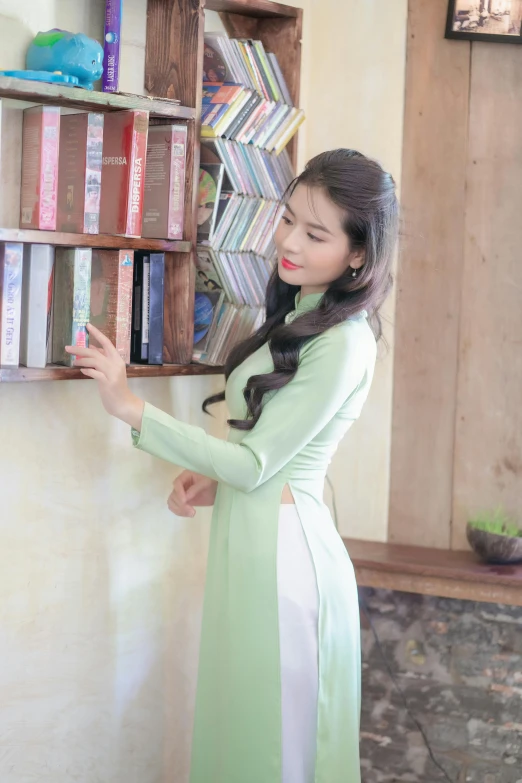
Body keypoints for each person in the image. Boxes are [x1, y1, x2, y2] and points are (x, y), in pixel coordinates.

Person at [66, 148, 399, 783]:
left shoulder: (344, 339)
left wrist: (130, 407)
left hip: (288, 564)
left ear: (359, 254)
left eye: (316, 233)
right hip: (251, 546)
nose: (290, 242)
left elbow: (256, 464)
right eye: (289, 220)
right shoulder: (301, 316)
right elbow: (262, 461)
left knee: (276, 747)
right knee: (241, 733)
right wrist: (218, 483)